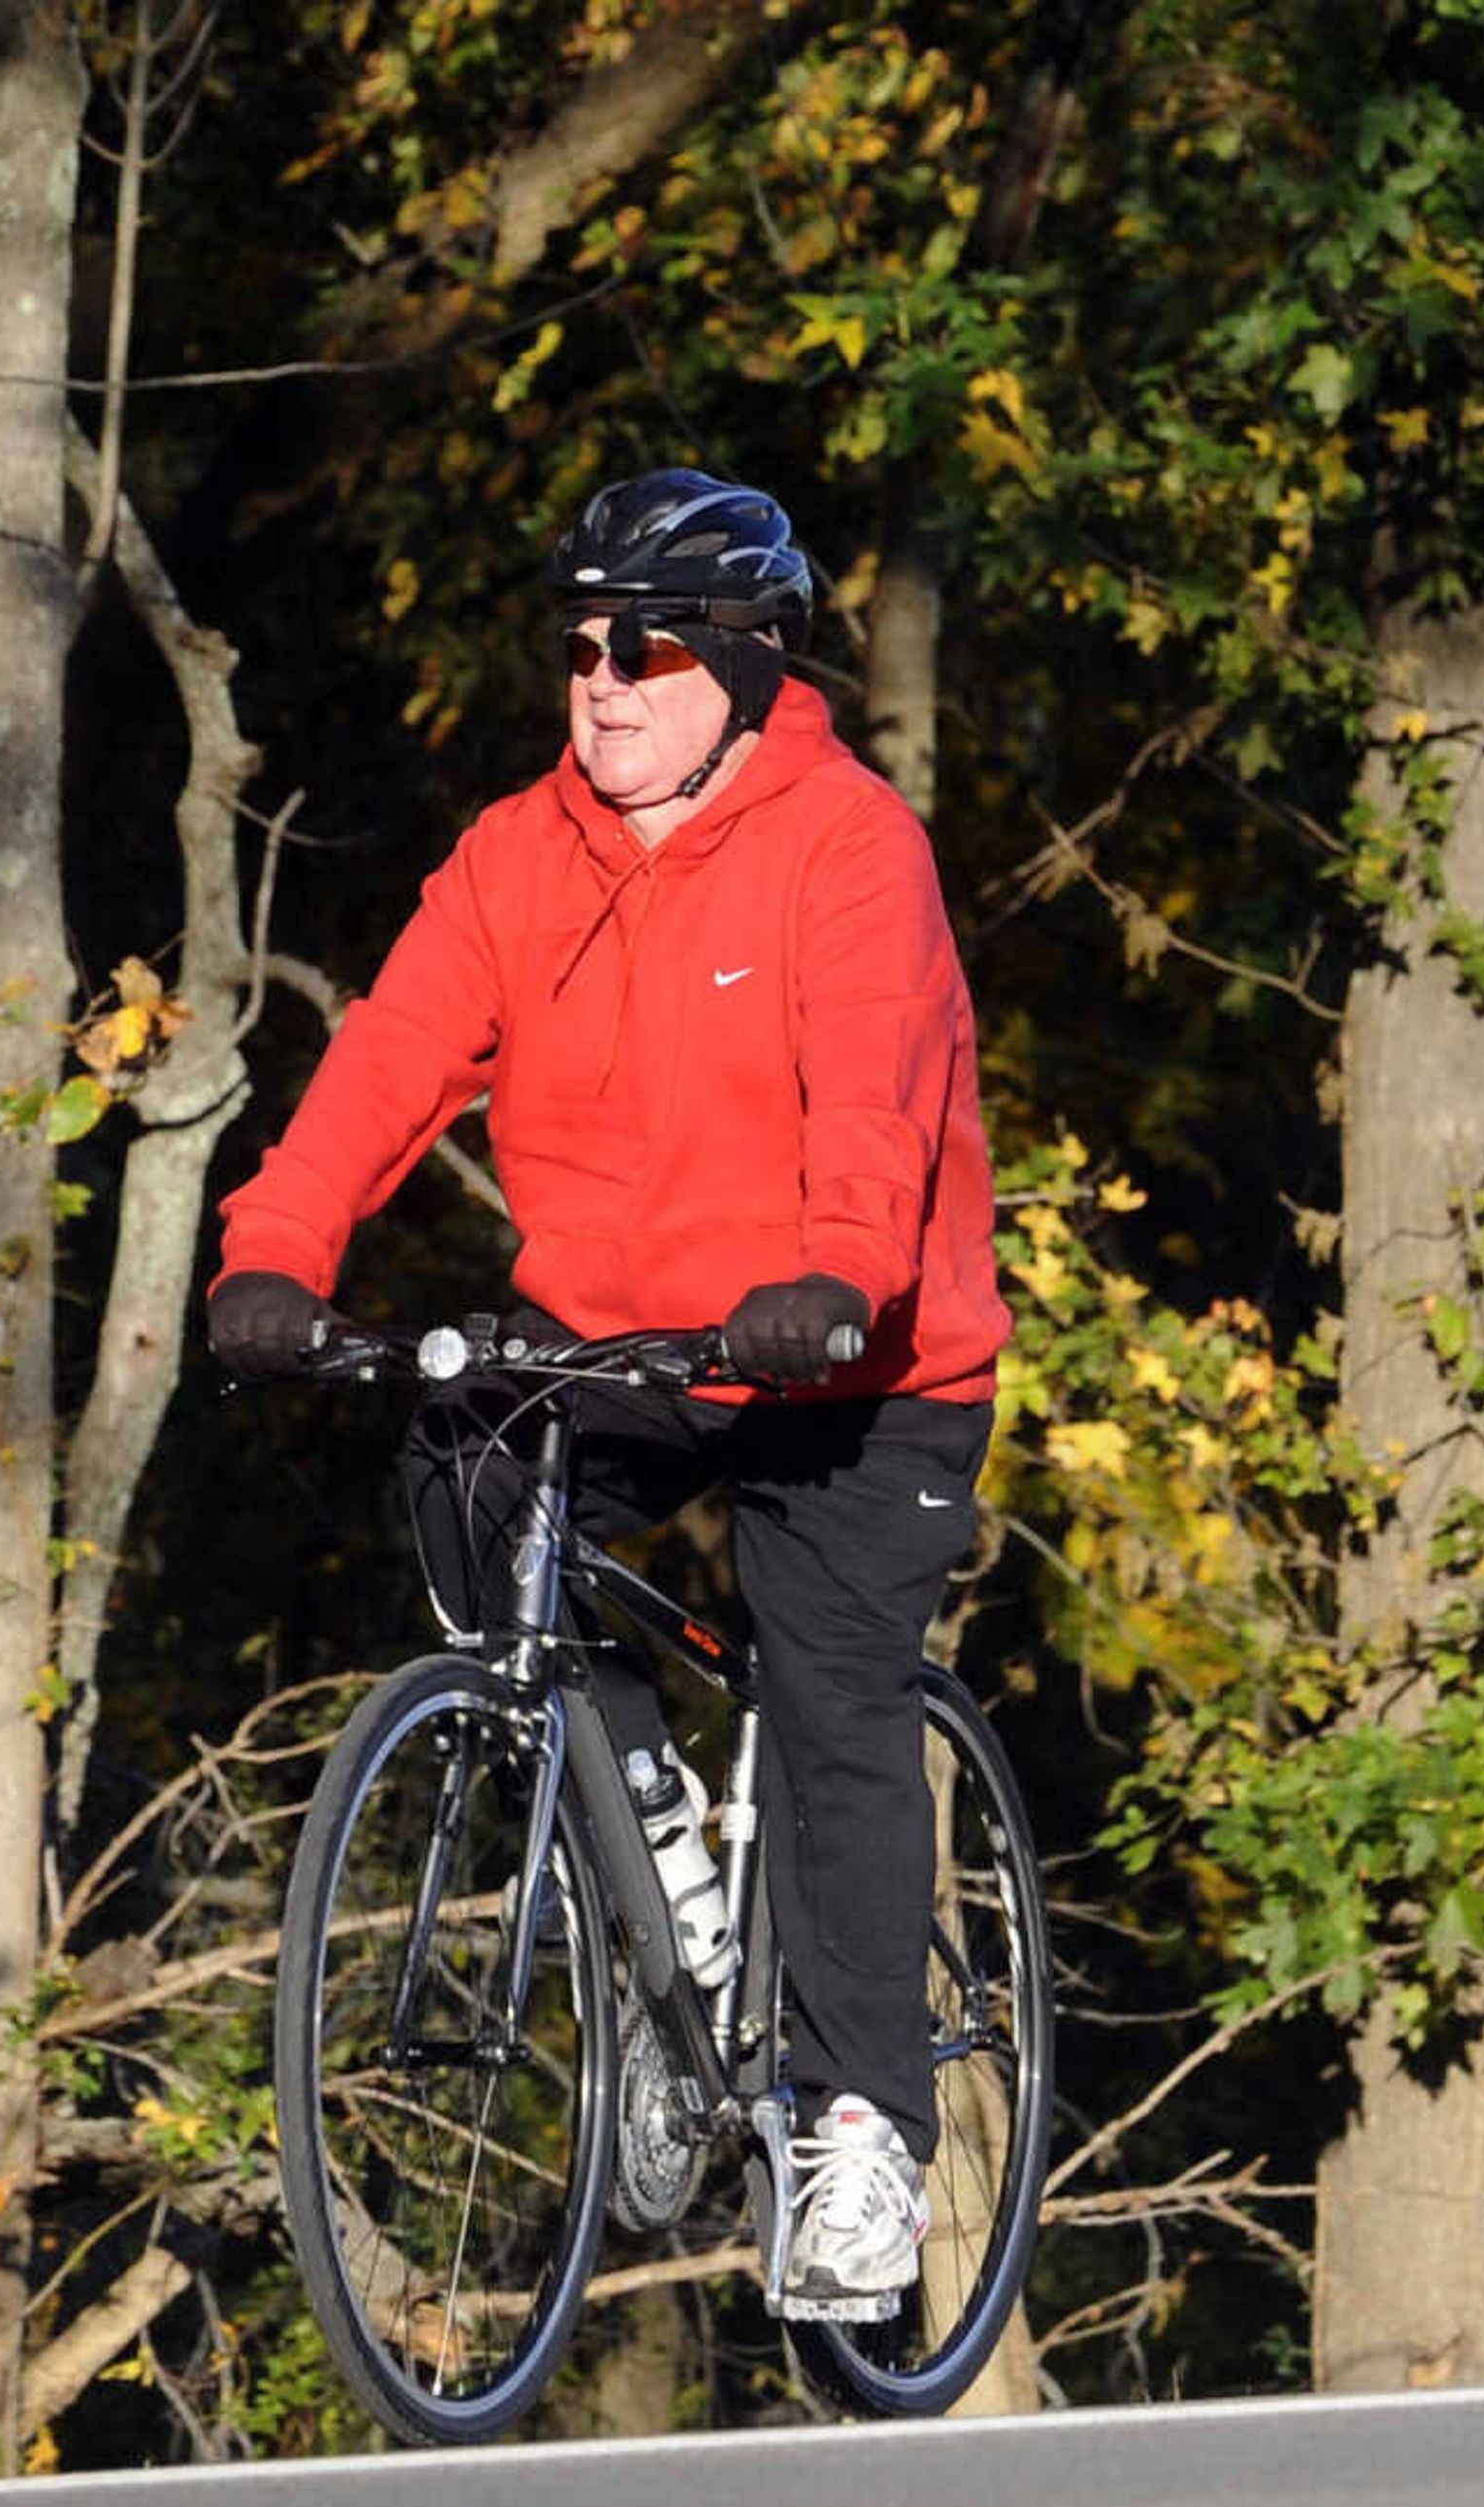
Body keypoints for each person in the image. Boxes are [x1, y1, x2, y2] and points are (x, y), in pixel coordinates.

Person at [206, 466, 1008, 2313]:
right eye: (575, 645)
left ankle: (866, 2131)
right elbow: (391, 1061)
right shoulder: (519, 852)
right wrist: (277, 1255)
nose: (602, 679)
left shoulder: (848, 842)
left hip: (851, 1352)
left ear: (734, 660)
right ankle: (655, 1883)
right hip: (626, 1339)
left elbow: (877, 1099)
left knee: (830, 1703)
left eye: (641, 644)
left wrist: (835, 1279)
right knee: (454, 1466)